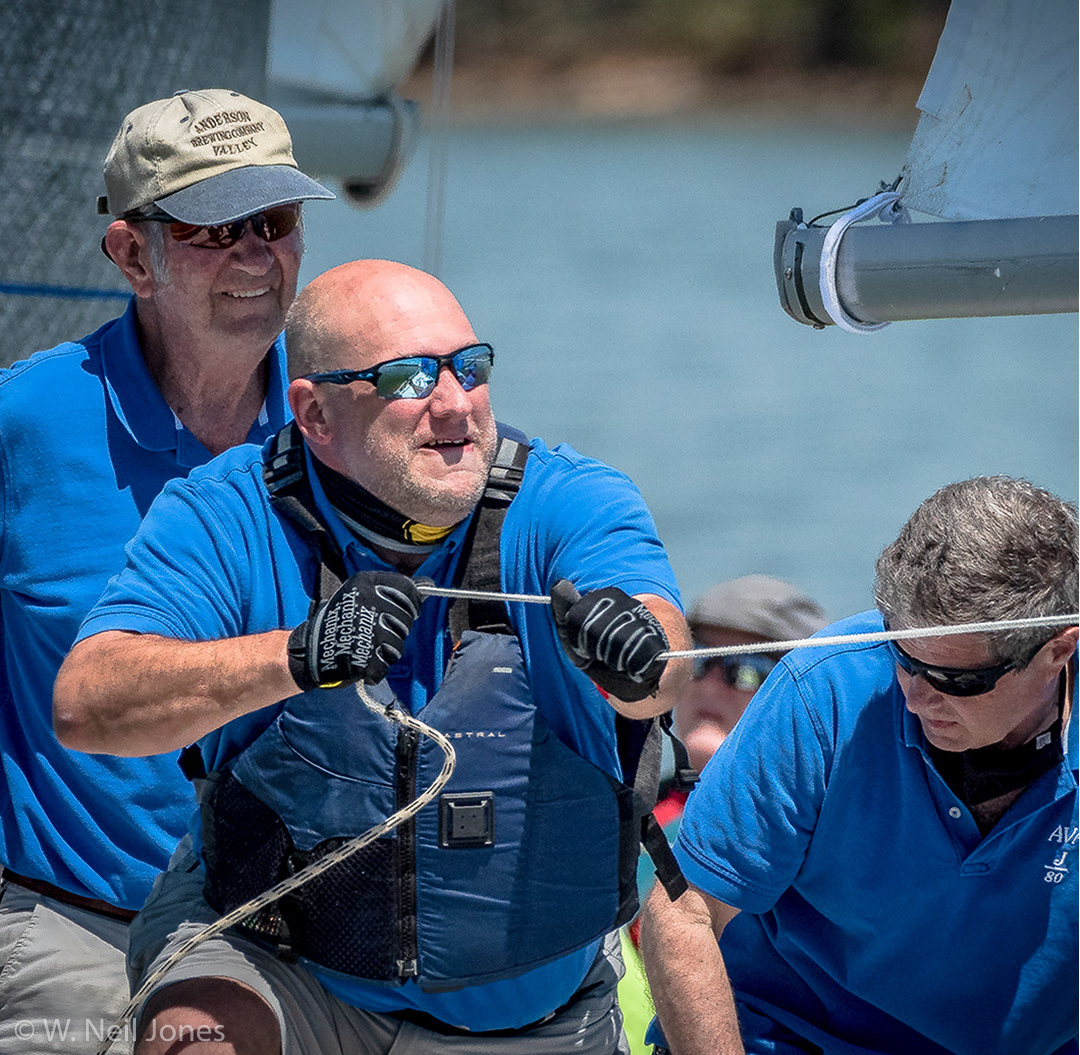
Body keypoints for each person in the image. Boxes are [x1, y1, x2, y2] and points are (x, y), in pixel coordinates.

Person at [53, 258, 692, 1055]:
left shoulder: (569, 500)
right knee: (197, 1036)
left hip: (536, 1014)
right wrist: (297, 655)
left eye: (471, 367)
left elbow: (665, 662)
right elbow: (86, 706)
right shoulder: (221, 514)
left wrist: (641, 656)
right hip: (288, 974)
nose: (455, 403)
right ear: (315, 414)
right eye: (408, 378)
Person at [0, 88, 333, 1050]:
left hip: (299, 932)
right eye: (213, 228)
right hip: (74, 924)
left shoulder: (347, 422)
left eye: (274, 222)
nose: (255, 254)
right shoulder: (25, 425)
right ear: (131, 255)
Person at [640, 476, 1079, 1055]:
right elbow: (683, 911)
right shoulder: (826, 687)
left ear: (1058, 651)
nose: (918, 697)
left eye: (955, 680)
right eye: (904, 658)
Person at [618, 576, 827, 1055]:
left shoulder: (828, 837)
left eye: (745, 671)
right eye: (697, 661)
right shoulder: (622, 811)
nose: (711, 684)